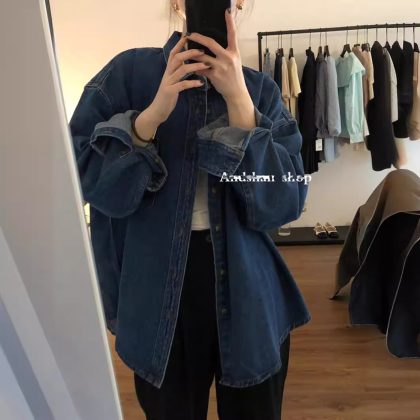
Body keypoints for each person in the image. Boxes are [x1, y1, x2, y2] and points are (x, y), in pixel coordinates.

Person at [69, 0, 311, 419]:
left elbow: (284, 202)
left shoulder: (260, 91)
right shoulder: (127, 75)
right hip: (156, 294)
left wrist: (239, 103)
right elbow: (83, 177)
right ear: (178, 2)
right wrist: (149, 119)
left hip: (250, 295)